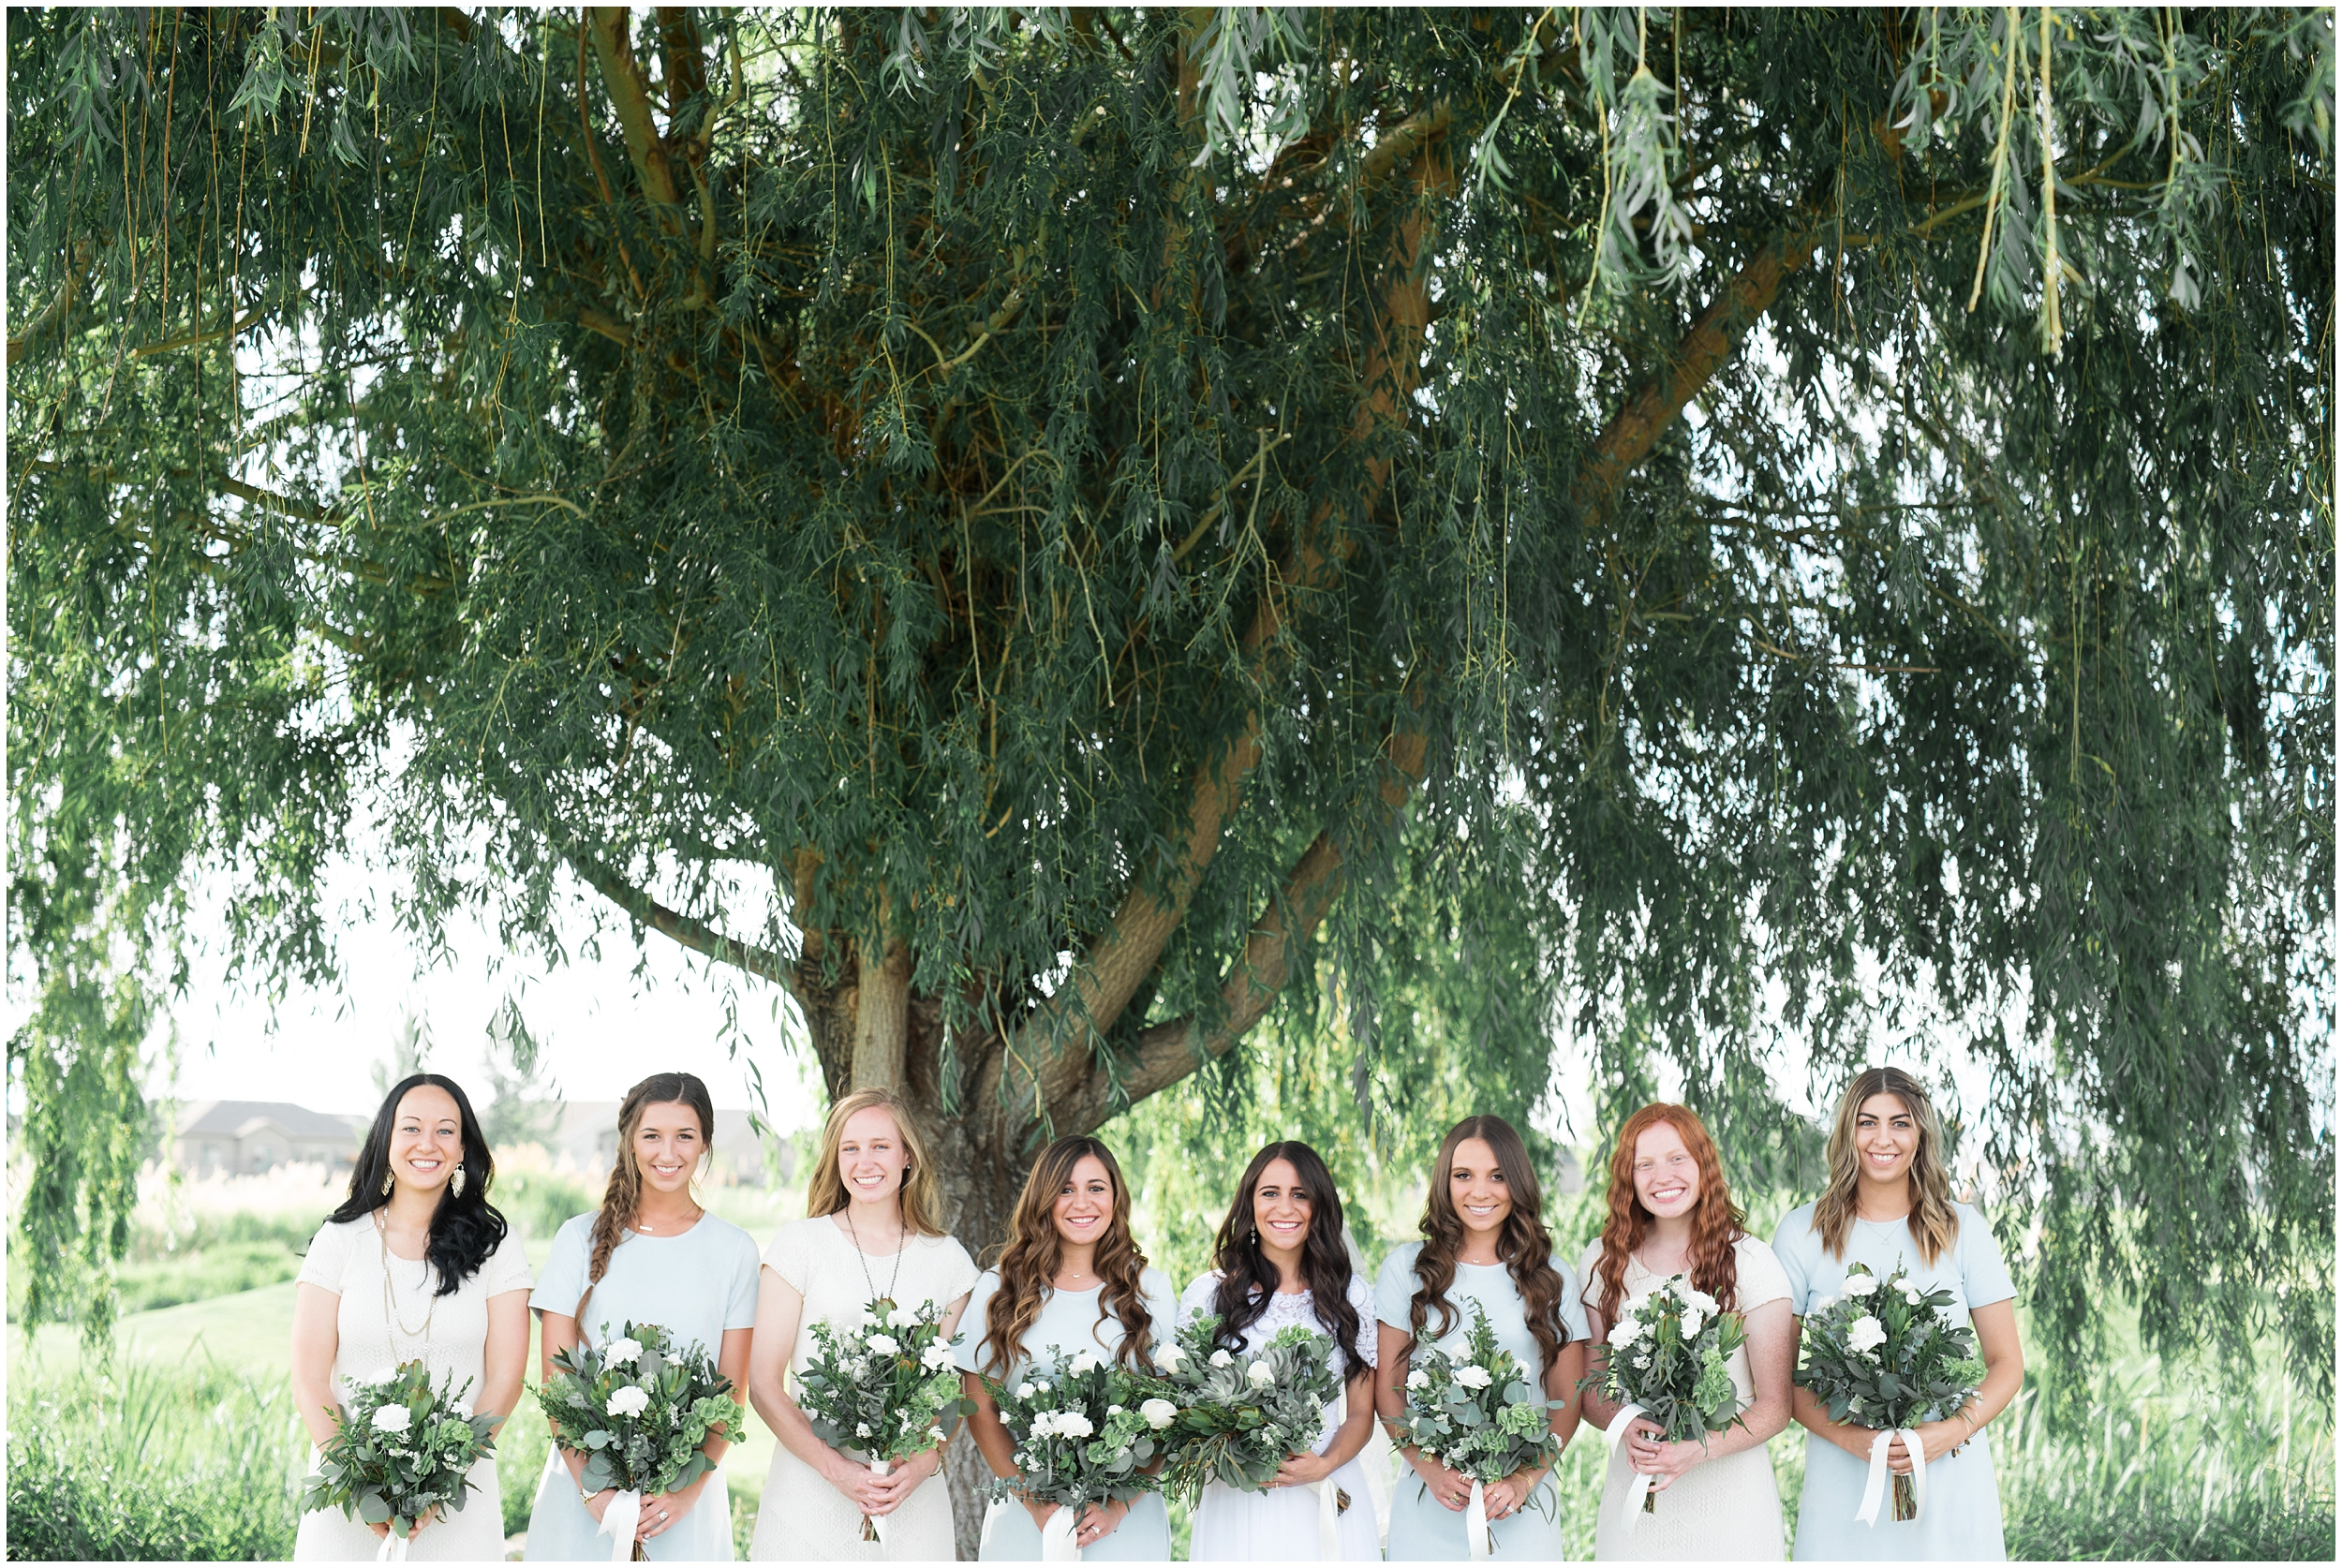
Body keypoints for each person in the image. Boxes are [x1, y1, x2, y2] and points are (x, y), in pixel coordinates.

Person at [1772, 1067, 2024, 1561]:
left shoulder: (1962, 1229)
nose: (1882, 1138)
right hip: (1845, 1482)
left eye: (1900, 1123)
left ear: (1920, 1135)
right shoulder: (1802, 1231)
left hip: (1949, 1475)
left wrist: (1950, 1433)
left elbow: (2007, 1363)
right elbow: (1783, 1378)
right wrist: (1854, 1440)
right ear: (1848, 1132)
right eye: (1867, 1122)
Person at [291, 1074, 532, 1561]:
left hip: (459, 1500)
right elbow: (310, 1378)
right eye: (411, 1128)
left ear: (463, 1147)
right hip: (349, 1500)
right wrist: (363, 1486)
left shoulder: (496, 1249)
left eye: (446, 1130)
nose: (428, 1144)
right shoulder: (339, 1241)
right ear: (386, 1140)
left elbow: (507, 1377)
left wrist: (441, 1477)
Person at [526, 1073, 761, 1561]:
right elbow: (556, 1383)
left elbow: (730, 1392)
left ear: (706, 1144)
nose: (667, 1152)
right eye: (652, 1135)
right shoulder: (576, 1240)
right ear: (630, 1142)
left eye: (685, 1136)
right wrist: (595, 1494)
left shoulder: (735, 1251)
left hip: (683, 1502)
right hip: (582, 1494)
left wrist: (688, 1491)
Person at [748, 1087, 979, 1561]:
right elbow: (763, 1384)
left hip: (909, 1499)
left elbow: (954, 1390)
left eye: (880, 1146)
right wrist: (839, 1470)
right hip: (808, 1498)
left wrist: (923, 1462)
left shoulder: (949, 1263)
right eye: (850, 1148)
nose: (864, 1161)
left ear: (907, 1157)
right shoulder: (800, 1246)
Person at [1576, 1103, 1793, 1560]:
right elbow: (1593, 1394)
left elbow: (1775, 1406)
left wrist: (1700, 1449)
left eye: (1678, 1158)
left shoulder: (1751, 1262)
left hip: (1731, 1508)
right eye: (1645, 1164)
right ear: (1628, 1178)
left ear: (1702, 1165)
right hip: (1636, 1504)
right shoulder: (1603, 1261)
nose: (1662, 1177)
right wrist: (1626, 1423)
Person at [1375, 1115, 1588, 1561]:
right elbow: (1390, 1394)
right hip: (1429, 1502)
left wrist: (1523, 1480)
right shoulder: (1405, 1269)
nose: (1480, 1191)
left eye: (1497, 1176)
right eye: (1463, 1176)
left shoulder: (1553, 1278)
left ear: (1518, 1183)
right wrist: (1429, 1468)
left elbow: (1566, 1400)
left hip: (1519, 1507)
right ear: (1444, 1182)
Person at [955, 1135, 1177, 1561]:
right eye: (1065, 1189)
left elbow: (1168, 1416)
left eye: (1096, 1188)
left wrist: (1118, 1505)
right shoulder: (998, 1288)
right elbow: (980, 1408)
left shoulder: (1152, 1290)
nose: (1082, 1203)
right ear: (1044, 1199)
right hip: (1026, 1517)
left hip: (1125, 1524)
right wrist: (1034, 1502)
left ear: (1115, 1198)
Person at [1177, 1141, 1380, 1561]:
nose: (1284, 1208)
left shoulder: (1351, 1296)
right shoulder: (1209, 1296)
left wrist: (1324, 1465)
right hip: (1238, 1496)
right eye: (1270, 1193)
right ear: (1250, 1204)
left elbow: (1361, 1413)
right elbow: (1183, 1404)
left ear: (1317, 1207)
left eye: (1299, 1194)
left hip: (1324, 1486)